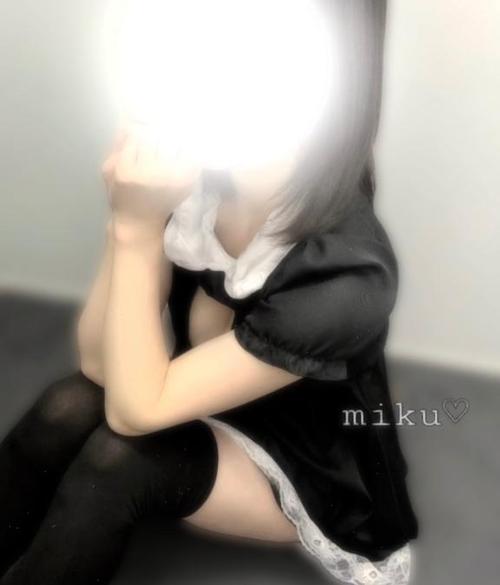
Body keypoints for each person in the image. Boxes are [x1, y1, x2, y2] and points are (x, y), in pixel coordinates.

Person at [0, 1, 418, 584]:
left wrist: (137, 228)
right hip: (191, 394)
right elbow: (98, 364)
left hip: (305, 461)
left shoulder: (346, 272)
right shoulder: (199, 170)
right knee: (64, 407)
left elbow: (136, 412)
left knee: (121, 461)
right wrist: (130, 221)